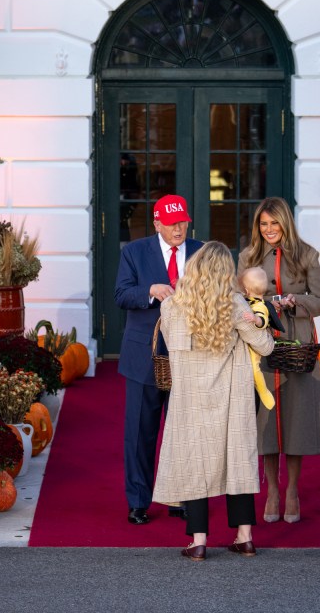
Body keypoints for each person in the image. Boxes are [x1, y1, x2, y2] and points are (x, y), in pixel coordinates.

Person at [152, 240, 274, 559]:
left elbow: (172, 346)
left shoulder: (171, 306)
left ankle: (199, 541)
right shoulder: (235, 304)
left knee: (196, 462)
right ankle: (244, 536)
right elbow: (266, 348)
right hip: (231, 395)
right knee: (238, 460)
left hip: (189, 396)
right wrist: (260, 322)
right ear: (226, 273)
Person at [238, 196, 320, 524]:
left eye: (274, 223)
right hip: (261, 345)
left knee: (295, 420)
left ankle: (292, 490)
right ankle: (271, 491)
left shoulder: (306, 255)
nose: (269, 230)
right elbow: (238, 300)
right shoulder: (248, 256)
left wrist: (294, 300)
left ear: (285, 223)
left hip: (297, 345)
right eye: (263, 224)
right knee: (265, 422)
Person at [114, 193, 203, 525]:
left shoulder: (200, 251)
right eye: (171, 222)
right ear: (157, 223)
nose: (178, 228)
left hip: (191, 354)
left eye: (182, 221)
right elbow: (121, 294)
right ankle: (138, 501)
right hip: (143, 355)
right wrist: (150, 290)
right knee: (140, 432)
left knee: (183, 430)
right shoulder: (135, 252)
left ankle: (180, 497)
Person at [239, 266, 278, 410]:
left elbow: (263, 321)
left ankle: (263, 391)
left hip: (254, 350)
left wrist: (255, 319)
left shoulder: (261, 306)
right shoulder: (248, 301)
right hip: (246, 346)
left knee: (255, 370)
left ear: (247, 290)